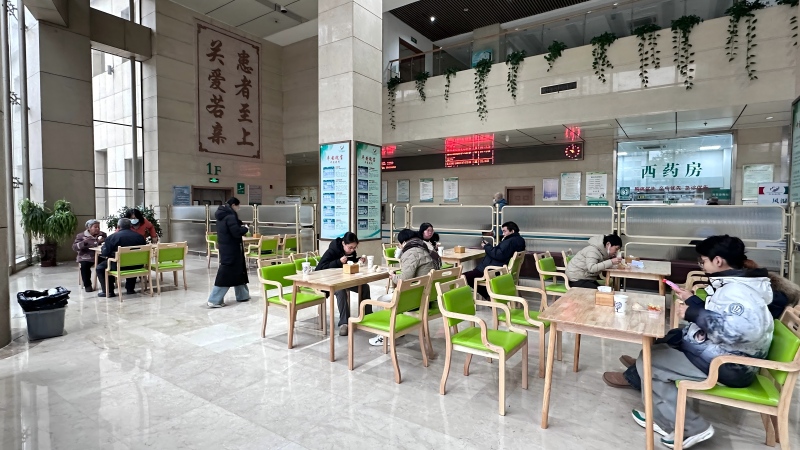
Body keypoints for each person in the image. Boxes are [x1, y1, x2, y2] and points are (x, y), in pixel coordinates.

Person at [603, 235, 773, 449]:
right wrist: (692, 300)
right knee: (660, 345)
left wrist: (693, 313)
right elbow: (723, 315)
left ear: (718, 261)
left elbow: (741, 331)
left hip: (728, 365)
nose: (702, 265)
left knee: (651, 362)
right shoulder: (735, 284)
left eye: (703, 261)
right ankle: (657, 410)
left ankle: (690, 427)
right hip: (724, 355)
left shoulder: (738, 291)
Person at [369, 229, 442, 346]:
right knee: (393, 294)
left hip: (415, 301)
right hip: (428, 297)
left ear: (403, 242)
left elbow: (403, 279)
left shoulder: (411, 252)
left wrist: (393, 277)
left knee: (382, 300)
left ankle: (385, 335)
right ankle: (396, 329)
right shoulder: (426, 247)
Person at [316, 232, 369, 336]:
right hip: (329, 282)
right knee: (340, 290)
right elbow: (320, 268)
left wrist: (358, 260)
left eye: (354, 248)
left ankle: (367, 316)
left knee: (364, 287)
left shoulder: (351, 252)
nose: (352, 250)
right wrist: (338, 262)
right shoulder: (332, 250)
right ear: (343, 243)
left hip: (344, 280)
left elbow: (351, 262)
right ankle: (344, 323)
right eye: (350, 247)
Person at [462, 221, 526, 300]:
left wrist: (486, 246)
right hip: (503, 268)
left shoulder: (509, 241)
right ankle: (489, 295)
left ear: (512, 231)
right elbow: (502, 252)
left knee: (464, 277)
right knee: (471, 275)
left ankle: (488, 295)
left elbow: (498, 255)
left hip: (493, 270)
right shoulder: (520, 240)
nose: (503, 234)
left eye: (505, 231)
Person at [207, 198, 250, 307]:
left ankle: (243, 295)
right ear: (233, 205)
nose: (238, 208)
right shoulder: (230, 216)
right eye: (238, 206)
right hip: (232, 249)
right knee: (226, 273)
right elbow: (236, 233)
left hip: (226, 247)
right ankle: (214, 300)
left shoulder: (222, 216)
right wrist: (245, 228)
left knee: (238, 270)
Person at [96, 218, 146, 298]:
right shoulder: (140, 237)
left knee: (100, 268)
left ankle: (108, 291)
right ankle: (130, 289)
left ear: (118, 226)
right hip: (137, 265)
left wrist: (104, 248)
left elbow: (105, 253)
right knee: (131, 260)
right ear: (131, 226)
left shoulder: (112, 237)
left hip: (118, 266)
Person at [72, 219, 107, 292]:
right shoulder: (81, 236)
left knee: (108, 263)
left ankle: (108, 284)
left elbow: (106, 243)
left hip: (99, 255)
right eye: (95, 227)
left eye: (98, 227)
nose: (97, 229)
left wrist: (102, 241)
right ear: (89, 228)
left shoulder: (102, 234)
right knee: (84, 266)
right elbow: (74, 247)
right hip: (86, 257)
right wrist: (84, 243)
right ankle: (87, 286)